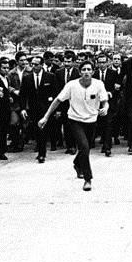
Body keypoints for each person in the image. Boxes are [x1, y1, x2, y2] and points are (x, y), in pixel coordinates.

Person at [38, 61, 109, 191]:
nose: (86, 72)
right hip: (75, 120)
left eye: (89, 69)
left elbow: (105, 101)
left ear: (93, 72)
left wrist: (105, 108)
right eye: (84, 69)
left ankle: (77, 163)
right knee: (85, 147)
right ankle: (88, 180)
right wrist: (46, 117)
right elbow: (58, 100)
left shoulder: (98, 84)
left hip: (92, 120)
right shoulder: (72, 85)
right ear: (80, 71)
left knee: (85, 148)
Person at [21, 54, 57, 163]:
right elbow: (23, 95)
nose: (33, 66)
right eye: (32, 64)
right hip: (33, 109)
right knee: (36, 130)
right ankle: (40, 149)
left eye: (36, 64)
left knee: (44, 130)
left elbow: (55, 93)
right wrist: (23, 108)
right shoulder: (27, 78)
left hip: (46, 109)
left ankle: (42, 154)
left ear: (41, 65)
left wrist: (55, 109)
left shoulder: (50, 77)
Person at [54, 51, 80, 155]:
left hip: (76, 102)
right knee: (66, 125)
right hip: (64, 103)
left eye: (69, 62)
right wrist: (58, 108)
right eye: (65, 61)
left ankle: (75, 145)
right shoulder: (58, 72)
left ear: (74, 62)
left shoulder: (78, 73)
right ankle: (69, 146)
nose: (67, 64)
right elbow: (57, 90)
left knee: (74, 125)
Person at [93, 53, 119, 157]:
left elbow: (117, 89)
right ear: (97, 63)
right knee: (100, 124)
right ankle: (101, 141)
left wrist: (110, 93)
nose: (102, 64)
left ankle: (107, 147)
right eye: (100, 62)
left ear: (107, 63)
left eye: (104, 62)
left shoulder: (113, 73)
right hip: (96, 103)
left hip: (109, 103)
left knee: (108, 124)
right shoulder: (94, 74)